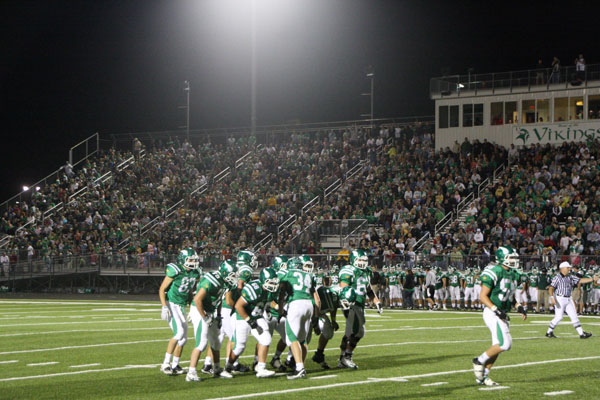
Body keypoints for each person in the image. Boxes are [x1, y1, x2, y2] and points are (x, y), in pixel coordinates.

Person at [472, 246, 527, 387]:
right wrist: (496, 310)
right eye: (511, 258)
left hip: (501, 312)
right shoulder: (494, 271)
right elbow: (483, 297)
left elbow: (509, 295)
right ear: (502, 258)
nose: (514, 260)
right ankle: (479, 360)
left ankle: (483, 377)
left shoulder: (514, 274)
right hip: (492, 311)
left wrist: (518, 306)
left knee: (497, 347)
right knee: (505, 344)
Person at [186, 260, 237, 382]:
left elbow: (218, 300)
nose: (234, 277)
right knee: (201, 343)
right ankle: (191, 372)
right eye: (232, 274)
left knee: (216, 342)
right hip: (200, 310)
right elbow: (197, 299)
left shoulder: (225, 282)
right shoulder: (212, 280)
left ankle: (217, 369)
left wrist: (218, 315)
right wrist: (204, 316)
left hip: (211, 311)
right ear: (224, 272)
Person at [226, 267, 280, 378]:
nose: (273, 285)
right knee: (239, 347)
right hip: (243, 317)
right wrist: (249, 320)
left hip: (257, 316)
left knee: (266, 339)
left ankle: (261, 368)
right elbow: (238, 305)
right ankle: (227, 367)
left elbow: (269, 301)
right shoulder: (254, 288)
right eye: (270, 282)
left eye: (274, 282)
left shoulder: (269, 290)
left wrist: (278, 307)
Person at [337, 249, 383, 369]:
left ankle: (343, 358)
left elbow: (368, 289)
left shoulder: (367, 271)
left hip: (360, 305)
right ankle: (346, 357)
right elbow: (344, 288)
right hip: (351, 304)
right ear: (353, 260)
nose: (362, 262)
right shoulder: (349, 270)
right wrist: (345, 301)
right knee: (357, 332)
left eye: (364, 260)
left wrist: (376, 301)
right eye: (360, 260)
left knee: (350, 333)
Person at [158, 248, 201, 375]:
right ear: (183, 259)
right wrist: (164, 306)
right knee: (179, 333)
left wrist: (192, 307)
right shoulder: (175, 270)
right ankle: (165, 363)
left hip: (182, 305)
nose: (193, 262)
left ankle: (175, 365)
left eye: (195, 259)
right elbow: (162, 289)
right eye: (190, 259)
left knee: (183, 339)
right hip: (172, 304)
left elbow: (192, 290)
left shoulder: (195, 272)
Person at [278, 255, 321, 379]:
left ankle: (299, 368)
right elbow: (316, 300)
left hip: (296, 304)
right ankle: (300, 365)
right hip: (309, 305)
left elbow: (280, 292)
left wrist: (281, 311)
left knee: (291, 338)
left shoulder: (288, 273)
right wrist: (316, 317)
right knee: (303, 340)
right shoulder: (309, 275)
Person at [310, 285, 357, 369]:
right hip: (310, 310)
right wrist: (315, 324)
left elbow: (334, 306)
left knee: (328, 332)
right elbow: (315, 304)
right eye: (346, 302)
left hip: (319, 312)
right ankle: (292, 359)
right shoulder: (327, 293)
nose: (345, 305)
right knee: (304, 336)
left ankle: (319, 355)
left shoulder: (338, 295)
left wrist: (333, 320)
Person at [545, 261, 596, 339]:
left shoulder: (570, 277)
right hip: (560, 298)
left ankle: (581, 333)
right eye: (568, 267)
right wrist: (552, 297)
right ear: (563, 268)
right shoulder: (557, 277)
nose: (569, 269)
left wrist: (591, 279)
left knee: (574, 316)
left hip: (568, 298)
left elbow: (580, 280)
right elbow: (551, 288)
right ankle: (549, 332)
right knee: (559, 317)